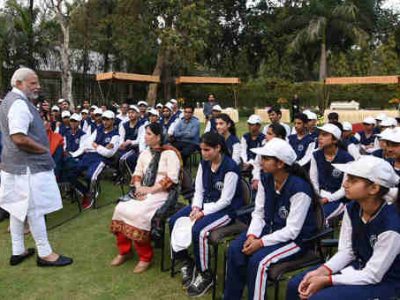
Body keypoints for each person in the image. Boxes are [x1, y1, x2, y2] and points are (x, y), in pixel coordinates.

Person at [286, 156, 400, 300]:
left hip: (384, 282)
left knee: (320, 298)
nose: (345, 184)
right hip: (358, 267)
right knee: (294, 285)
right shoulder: (353, 207)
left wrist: (328, 280)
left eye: (353, 180)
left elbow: (373, 275)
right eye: (347, 178)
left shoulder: (391, 225)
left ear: (374, 188)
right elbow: (348, 251)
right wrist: (323, 270)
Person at [224, 138, 318, 300]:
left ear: (280, 164)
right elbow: (259, 213)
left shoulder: (299, 189)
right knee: (235, 249)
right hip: (269, 231)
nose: (260, 162)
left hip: (296, 241)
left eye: (266, 158)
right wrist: (252, 235)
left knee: (259, 262)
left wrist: (260, 242)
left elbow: (292, 231)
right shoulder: (266, 178)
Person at [0, 67, 72, 267]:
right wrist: (42, 149)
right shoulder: (19, 105)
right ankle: (45, 253)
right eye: (33, 83)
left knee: (16, 208)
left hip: (14, 166)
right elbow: (18, 137)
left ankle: (18, 250)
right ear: (19, 83)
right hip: (28, 168)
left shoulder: (9, 101)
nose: (38, 86)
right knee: (35, 210)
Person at [169, 131, 243, 297]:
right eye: (202, 149)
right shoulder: (204, 163)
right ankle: (187, 261)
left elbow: (225, 201)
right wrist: (196, 207)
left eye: (207, 150)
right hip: (205, 205)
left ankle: (205, 274)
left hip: (226, 211)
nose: (203, 153)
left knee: (200, 231)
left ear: (218, 148)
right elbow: (199, 190)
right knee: (175, 220)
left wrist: (203, 212)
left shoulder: (230, 168)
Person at [110, 123, 181, 273]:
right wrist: (138, 188)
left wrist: (149, 190)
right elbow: (137, 174)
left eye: (148, 134)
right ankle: (125, 251)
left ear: (158, 137)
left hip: (163, 194)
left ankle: (145, 257)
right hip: (143, 191)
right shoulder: (144, 154)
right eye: (145, 133)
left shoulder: (170, 153)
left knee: (139, 214)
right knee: (120, 208)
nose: (145, 137)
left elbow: (172, 179)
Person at [72, 110, 120, 209]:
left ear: (113, 120)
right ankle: (86, 192)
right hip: (89, 156)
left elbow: (108, 153)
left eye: (108, 120)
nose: (105, 122)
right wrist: (101, 147)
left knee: (90, 176)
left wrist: (96, 146)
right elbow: (87, 143)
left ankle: (91, 195)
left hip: (101, 159)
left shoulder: (115, 135)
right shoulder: (98, 129)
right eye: (103, 119)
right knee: (72, 172)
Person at [310, 123, 354, 223]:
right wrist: (316, 197)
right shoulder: (315, 155)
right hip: (319, 196)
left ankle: (339, 215)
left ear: (335, 140)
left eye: (324, 135)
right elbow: (313, 180)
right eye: (320, 134)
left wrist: (327, 199)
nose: (320, 137)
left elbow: (344, 189)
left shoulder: (347, 158)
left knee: (318, 218)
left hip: (338, 199)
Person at [251, 123, 287, 190]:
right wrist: (256, 178)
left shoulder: (286, 152)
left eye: (270, 134)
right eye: (266, 133)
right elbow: (257, 164)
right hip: (264, 180)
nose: (266, 136)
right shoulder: (263, 148)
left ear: (279, 137)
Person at [117, 105, 142, 177]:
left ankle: (134, 176)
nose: (130, 114)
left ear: (137, 114)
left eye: (133, 112)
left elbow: (139, 140)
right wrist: (122, 144)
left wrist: (130, 142)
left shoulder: (141, 125)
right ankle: (120, 176)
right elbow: (121, 137)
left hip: (135, 149)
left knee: (128, 158)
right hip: (124, 148)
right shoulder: (124, 125)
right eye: (129, 112)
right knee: (117, 156)